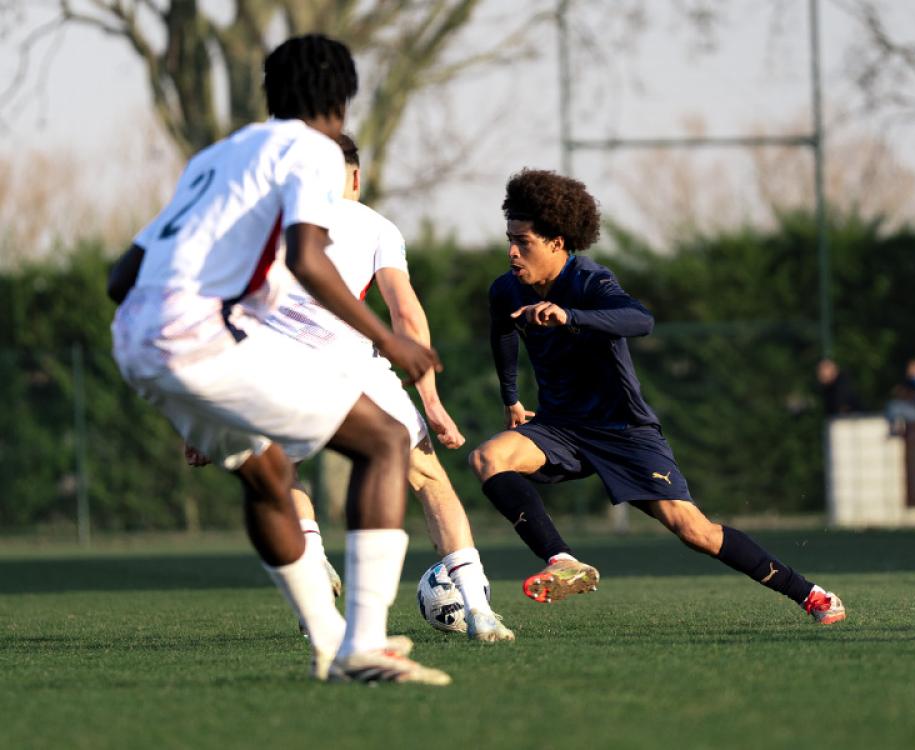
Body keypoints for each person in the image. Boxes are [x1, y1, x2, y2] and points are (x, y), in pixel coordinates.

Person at [108, 35, 450, 685]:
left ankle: (328, 640)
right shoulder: (315, 152)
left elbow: (124, 273)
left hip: (136, 335)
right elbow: (307, 257)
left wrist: (184, 381)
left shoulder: (219, 154)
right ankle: (366, 643)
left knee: (265, 473)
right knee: (383, 441)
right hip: (197, 336)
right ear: (341, 102)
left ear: (270, 92)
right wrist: (392, 339)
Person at [467, 168, 846, 624]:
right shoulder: (506, 288)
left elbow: (639, 319)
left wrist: (571, 316)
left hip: (622, 429)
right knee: (489, 458)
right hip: (560, 427)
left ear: (557, 242)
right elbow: (503, 332)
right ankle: (562, 561)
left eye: (523, 241)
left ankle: (810, 594)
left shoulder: (589, 280)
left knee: (694, 530)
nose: (511, 251)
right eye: (509, 238)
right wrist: (511, 397)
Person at [260, 132, 513, 642]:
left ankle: (312, 564)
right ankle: (478, 606)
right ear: (355, 176)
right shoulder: (375, 226)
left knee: (278, 478)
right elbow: (405, 313)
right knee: (429, 481)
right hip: (359, 369)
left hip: (281, 371)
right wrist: (431, 400)